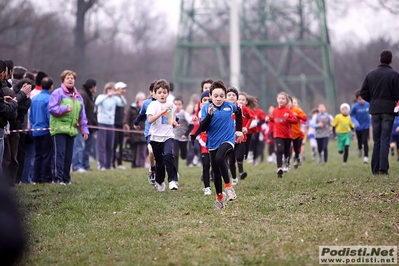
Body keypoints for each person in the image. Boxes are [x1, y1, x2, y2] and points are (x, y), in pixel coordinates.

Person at [198, 80, 243, 209]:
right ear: (210, 95)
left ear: (225, 96)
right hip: (212, 142)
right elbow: (203, 128)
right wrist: (210, 116)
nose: (219, 98)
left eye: (221, 96)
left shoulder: (230, 106)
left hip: (228, 139)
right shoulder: (206, 108)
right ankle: (219, 197)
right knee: (215, 173)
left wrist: (239, 130)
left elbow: (239, 113)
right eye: (216, 96)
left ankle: (229, 187)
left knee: (219, 158)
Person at [360, 50, 399, 175]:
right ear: (391, 60)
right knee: (385, 139)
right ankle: (383, 168)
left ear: (380, 59)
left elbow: (363, 93)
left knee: (376, 140)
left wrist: (373, 101)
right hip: (388, 110)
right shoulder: (394, 75)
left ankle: (375, 168)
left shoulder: (370, 74)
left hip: (375, 110)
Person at [49, 70, 89, 185]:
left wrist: (84, 130)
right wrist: (64, 108)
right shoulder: (57, 93)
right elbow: (52, 109)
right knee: (59, 155)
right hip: (59, 129)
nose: (70, 80)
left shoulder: (78, 97)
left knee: (68, 156)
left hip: (71, 130)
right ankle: (57, 179)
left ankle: (66, 179)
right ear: (63, 80)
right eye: (68, 78)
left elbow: (82, 115)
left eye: (72, 78)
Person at [146, 79, 179, 191]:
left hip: (168, 136)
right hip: (155, 137)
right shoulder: (153, 105)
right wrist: (162, 111)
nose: (162, 95)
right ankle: (160, 181)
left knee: (168, 155)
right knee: (159, 162)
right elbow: (150, 120)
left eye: (164, 92)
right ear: (155, 93)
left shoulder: (171, 106)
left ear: (168, 93)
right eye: (159, 92)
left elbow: (170, 120)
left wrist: (174, 123)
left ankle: (172, 181)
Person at [226, 86, 254, 185]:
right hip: (228, 137)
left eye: (233, 95)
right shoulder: (223, 107)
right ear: (226, 97)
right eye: (229, 95)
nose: (231, 97)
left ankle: (241, 168)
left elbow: (251, 116)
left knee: (239, 157)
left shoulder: (241, 108)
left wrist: (246, 127)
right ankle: (234, 178)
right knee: (231, 159)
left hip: (241, 137)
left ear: (236, 97)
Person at [268, 92, 298, 178]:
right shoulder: (275, 110)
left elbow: (295, 120)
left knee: (286, 152)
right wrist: (269, 118)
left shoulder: (288, 111)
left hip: (287, 135)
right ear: (277, 99)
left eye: (283, 99)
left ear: (286, 101)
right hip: (277, 134)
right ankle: (279, 168)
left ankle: (286, 161)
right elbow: (274, 119)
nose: (281, 100)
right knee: (279, 150)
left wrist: (288, 119)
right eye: (279, 98)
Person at [30, 77, 54, 183]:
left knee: (37, 155)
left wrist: (33, 126)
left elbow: (31, 115)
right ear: (51, 87)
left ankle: (36, 178)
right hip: (45, 130)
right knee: (47, 155)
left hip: (35, 130)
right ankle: (46, 178)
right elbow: (49, 115)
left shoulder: (34, 98)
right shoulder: (49, 99)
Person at [95, 82, 123, 170]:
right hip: (102, 122)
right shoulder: (101, 97)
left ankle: (108, 164)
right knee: (102, 145)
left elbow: (122, 103)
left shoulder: (115, 99)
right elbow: (97, 102)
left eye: (112, 89)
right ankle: (101, 164)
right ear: (106, 90)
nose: (111, 91)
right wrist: (107, 95)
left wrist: (119, 95)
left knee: (110, 145)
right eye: (109, 89)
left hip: (111, 123)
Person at [133, 80, 157, 184]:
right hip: (149, 132)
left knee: (158, 155)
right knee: (151, 152)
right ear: (151, 92)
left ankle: (157, 173)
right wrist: (136, 122)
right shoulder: (146, 103)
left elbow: (172, 116)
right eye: (155, 91)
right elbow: (142, 114)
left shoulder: (166, 104)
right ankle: (152, 170)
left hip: (161, 133)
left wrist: (175, 121)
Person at [71, 79, 97, 172]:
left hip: (88, 125)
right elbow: (80, 110)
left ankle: (85, 165)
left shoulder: (89, 96)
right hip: (81, 125)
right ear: (91, 87)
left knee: (87, 148)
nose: (96, 89)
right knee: (79, 146)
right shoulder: (83, 95)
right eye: (95, 87)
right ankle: (77, 166)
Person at [173, 96, 193, 177]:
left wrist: (186, 134)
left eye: (179, 104)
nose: (177, 106)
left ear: (182, 105)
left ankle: (184, 154)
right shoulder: (171, 114)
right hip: (174, 137)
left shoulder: (184, 114)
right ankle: (176, 172)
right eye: (175, 104)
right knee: (175, 155)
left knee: (183, 156)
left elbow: (191, 125)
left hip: (183, 138)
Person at [126, 91, 147, 168]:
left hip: (143, 133)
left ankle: (141, 165)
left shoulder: (146, 109)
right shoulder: (131, 109)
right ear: (137, 100)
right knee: (133, 150)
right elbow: (127, 121)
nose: (143, 102)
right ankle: (133, 165)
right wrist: (127, 134)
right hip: (133, 133)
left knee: (142, 151)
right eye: (141, 100)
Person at [350, 90, 371, 164]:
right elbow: (351, 115)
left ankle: (366, 157)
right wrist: (355, 122)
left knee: (365, 140)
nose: (361, 101)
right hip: (358, 126)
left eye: (362, 99)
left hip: (366, 126)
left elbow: (371, 112)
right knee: (360, 141)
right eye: (359, 99)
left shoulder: (368, 104)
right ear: (357, 99)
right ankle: (359, 148)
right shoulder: (355, 106)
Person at [113, 82, 129, 169]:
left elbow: (124, 103)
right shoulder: (114, 98)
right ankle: (112, 163)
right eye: (122, 89)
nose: (124, 91)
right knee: (114, 145)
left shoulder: (122, 98)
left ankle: (119, 163)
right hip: (114, 124)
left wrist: (124, 123)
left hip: (120, 125)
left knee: (120, 144)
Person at [290, 97, 307, 168]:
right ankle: (294, 160)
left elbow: (305, 119)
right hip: (290, 133)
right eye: (292, 103)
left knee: (298, 147)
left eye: (295, 103)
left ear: (298, 104)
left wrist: (298, 116)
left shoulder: (299, 111)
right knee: (292, 148)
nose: (293, 104)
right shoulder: (288, 110)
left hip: (299, 133)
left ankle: (297, 158)